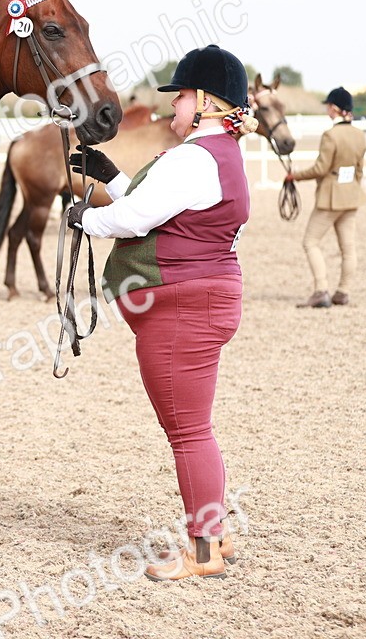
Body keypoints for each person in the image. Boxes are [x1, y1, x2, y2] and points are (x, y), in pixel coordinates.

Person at [65, 45, 256, 581]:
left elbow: (136, 219)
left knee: (188, 433)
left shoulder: (193, 158)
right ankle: (215, 530)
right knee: (196, 429)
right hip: (203, 299)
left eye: (182, 96)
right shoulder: (214, 155)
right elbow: (161, 207)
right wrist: (111, 177)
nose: (173, 105)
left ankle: (204, 552)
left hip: (183, 308)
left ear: (208, 103)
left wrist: (86, 218)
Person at [286, 87, 366, 308]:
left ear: (334, 108)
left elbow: (321, 168)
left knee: (310, 242)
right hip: (351, 196)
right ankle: (343, 291)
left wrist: (295, 176)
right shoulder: (360, 135)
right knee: (348, 248)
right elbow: (359, 170)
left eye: (328, 107)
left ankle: (321, 290)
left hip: (331, 197)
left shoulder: (331, 135)